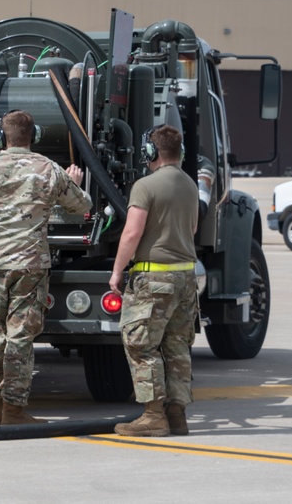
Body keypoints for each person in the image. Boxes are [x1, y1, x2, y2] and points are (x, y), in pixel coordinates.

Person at [0, 110, 91, 426]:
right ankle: (14, 410)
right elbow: (81, 205)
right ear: (36, 136)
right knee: (20, 337)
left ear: (1, 137)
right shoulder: (49, 170)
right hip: (30, 265)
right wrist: (72, 184)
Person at [110, 124, 199, 437]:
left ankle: (152, 416)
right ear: (180, 152)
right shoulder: (190, 184)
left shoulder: (145, 186)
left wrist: (118, 271)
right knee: (177, 348)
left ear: (151, 152)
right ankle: (177, 415)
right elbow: (192, 230)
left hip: (153, 278)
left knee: (141, 346)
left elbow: (133, 232)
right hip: (186, 277)